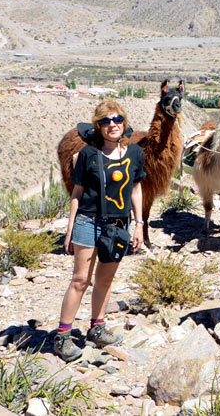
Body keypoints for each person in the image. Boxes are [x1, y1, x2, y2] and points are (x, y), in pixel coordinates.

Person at [55, 100, 145, 361]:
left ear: (124, 123)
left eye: (117, 120)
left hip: (118, 225)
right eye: (105, 122)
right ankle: (63, 335)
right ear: (98, 127)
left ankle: (97, 327)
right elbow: (77, 191)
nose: (112, 125)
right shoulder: (87, 155)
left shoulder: (134, 154)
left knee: (105, 280)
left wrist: (139, 224)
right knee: (81, 279)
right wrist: (70, 228)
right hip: (88, 221)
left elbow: (136, 189)